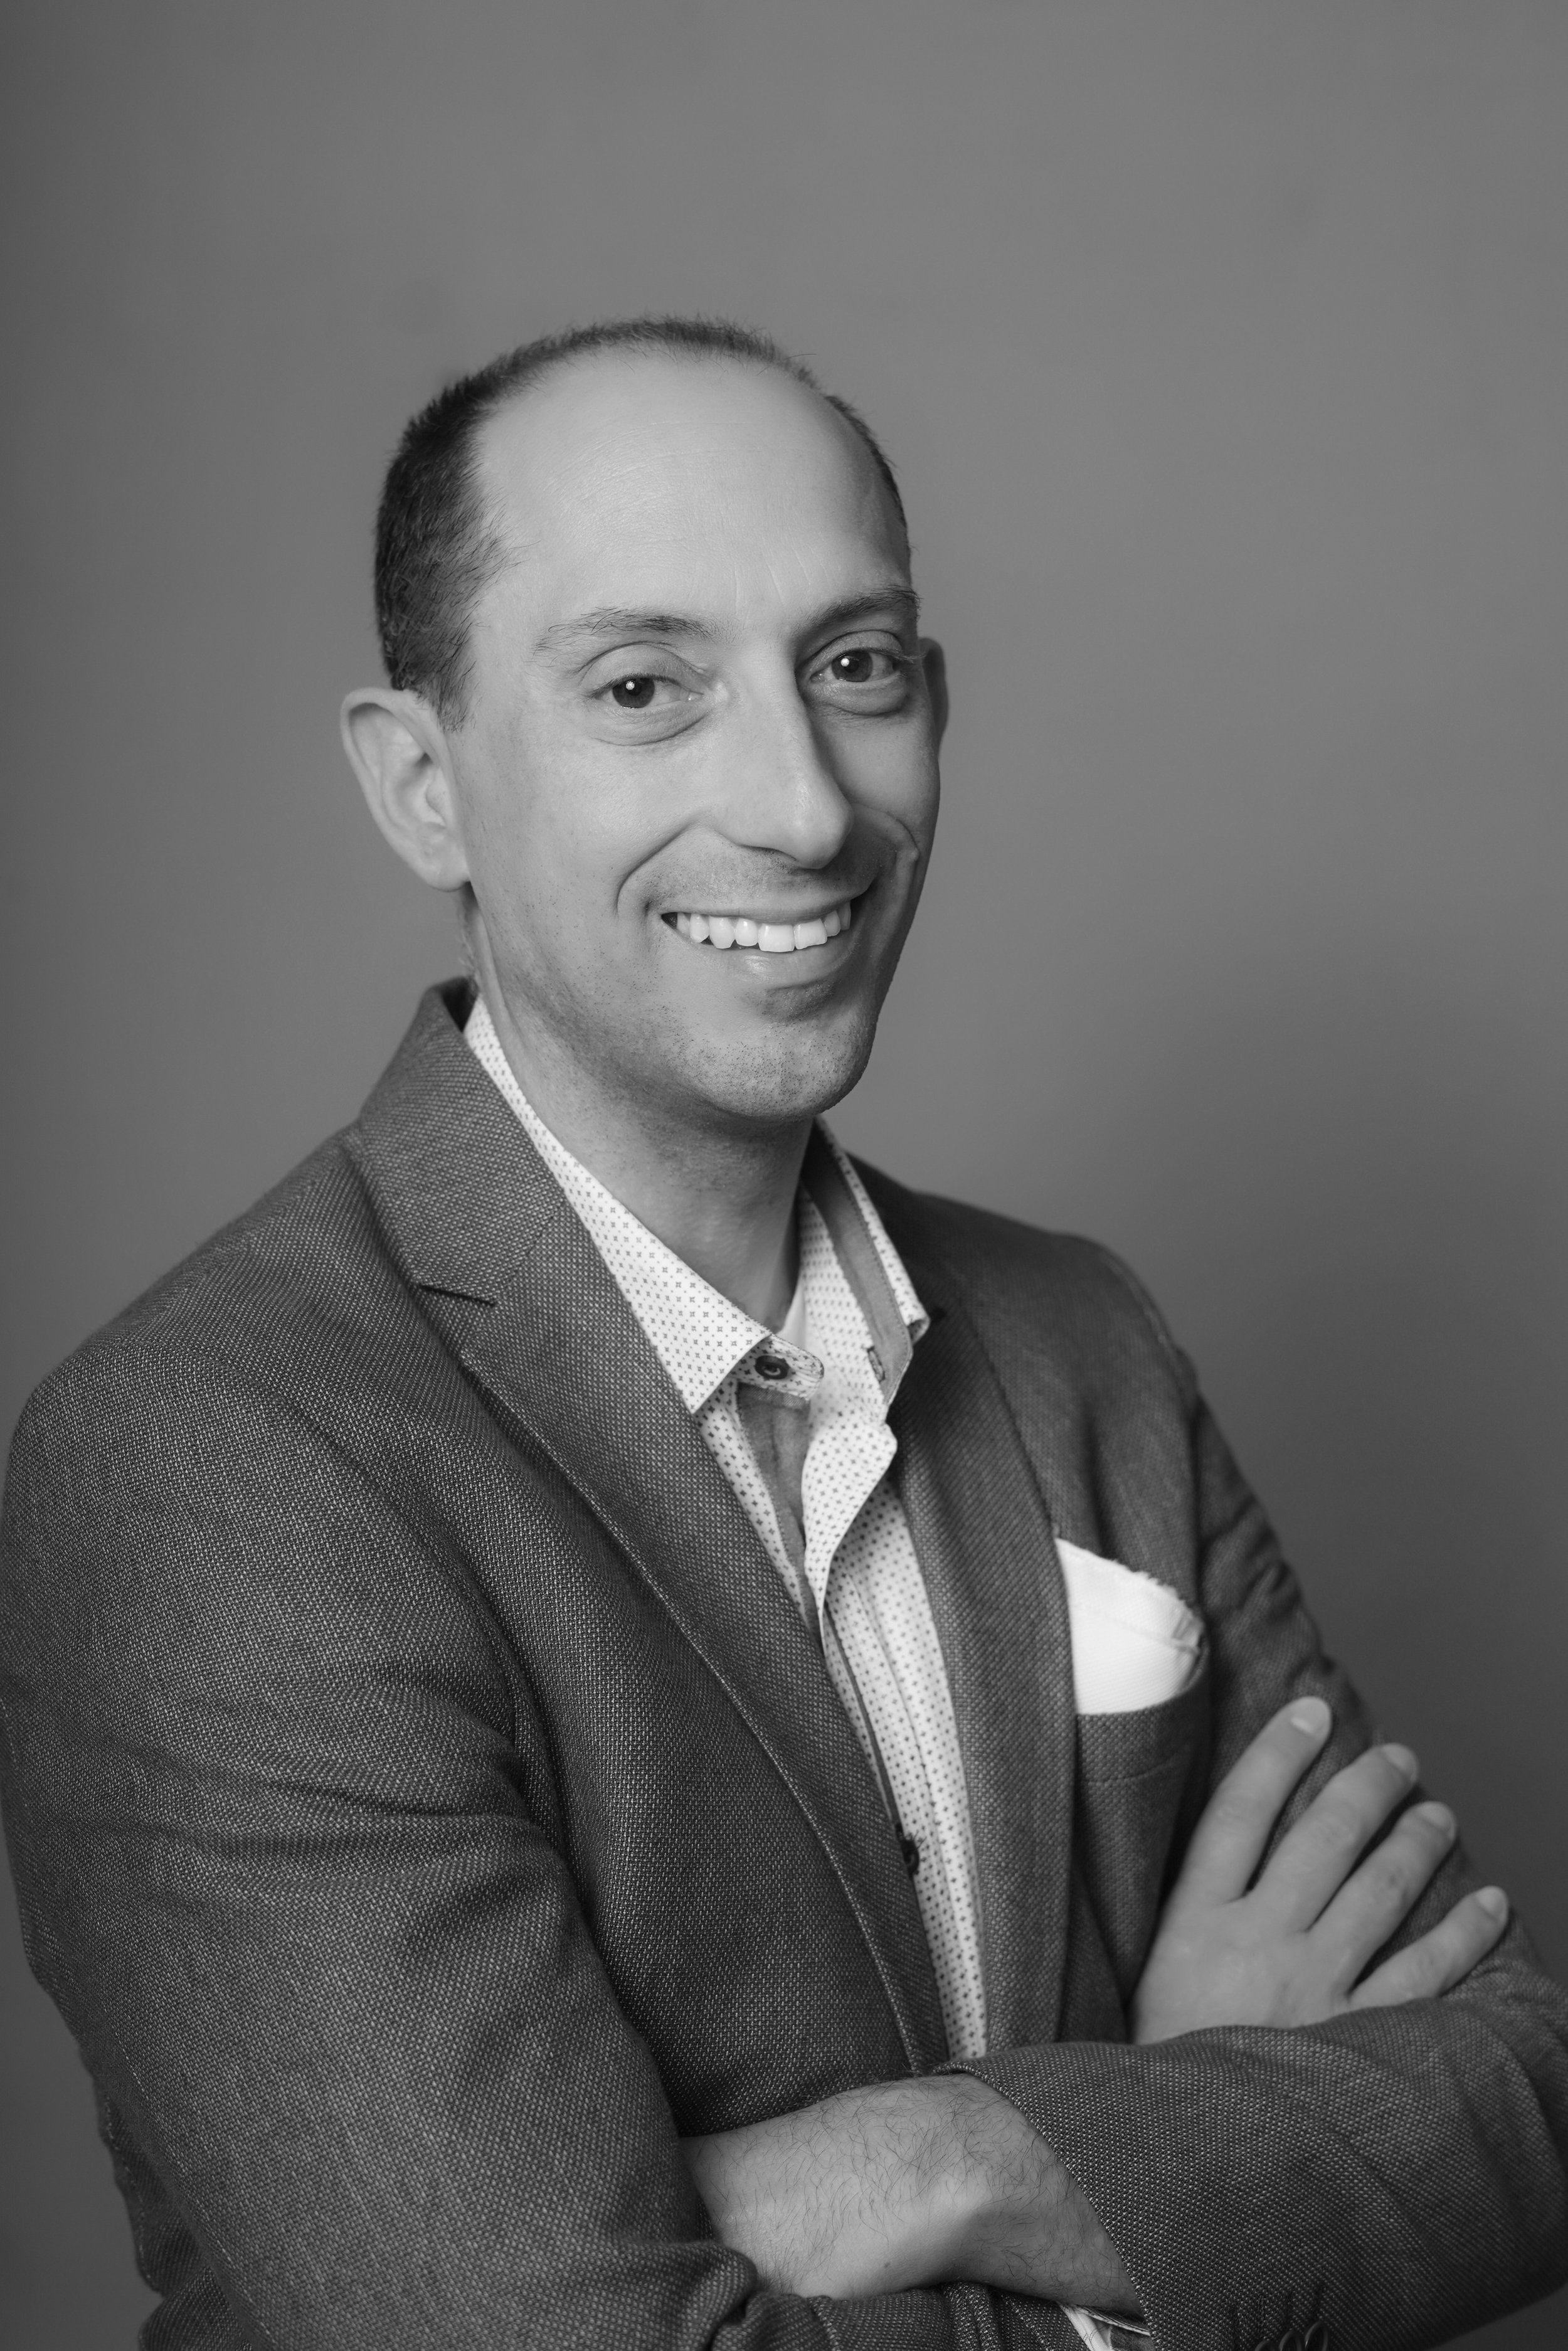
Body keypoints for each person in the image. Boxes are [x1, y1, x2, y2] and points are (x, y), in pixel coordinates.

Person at [2, 316, 1564, 2351]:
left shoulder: (1078, 1338)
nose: (805, 807)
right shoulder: (208, 1465)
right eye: (644, 687)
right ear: (421, 784)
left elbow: (1521, 2096)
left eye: (855, 667)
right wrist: (1155, 2173)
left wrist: (952, 2158)